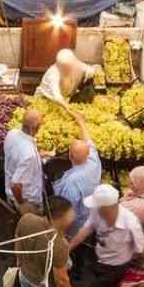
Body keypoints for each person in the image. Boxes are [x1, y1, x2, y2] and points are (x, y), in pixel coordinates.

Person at [70, 184, 144, 287]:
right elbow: (85, 230)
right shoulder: (97, 212)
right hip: (99, 259)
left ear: (108, 207)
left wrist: (130, 266)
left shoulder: (130, 222)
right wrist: (68, 248)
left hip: (116, 267)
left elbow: (140, 248)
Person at [53, 113, 101, 277]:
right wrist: (81, 121)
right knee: (84, 243)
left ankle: (74, 270)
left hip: (76, 224)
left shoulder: (71, 184)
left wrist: (60, 235)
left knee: (75, 247)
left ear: (69, 156)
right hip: (90, 215)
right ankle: (80, 263)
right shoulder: (93, 161)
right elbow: (89, 141)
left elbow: (66, 212)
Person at [14, 196, 77, 287]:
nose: (73, 217)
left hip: (24, 275)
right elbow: (61, 279)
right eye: (70, 215)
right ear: (62, 219)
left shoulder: (27, 218)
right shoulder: (60, 245)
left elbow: (18, 236)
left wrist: (19, 260)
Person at [3, 109, 46, 212]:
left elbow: (17, 156)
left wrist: (39, 155)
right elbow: (15, 184)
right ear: (36, 128)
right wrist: (22, 204)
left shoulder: (12, 133)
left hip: (10, 195)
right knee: (32, 226)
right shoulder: (29, 155)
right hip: (27, 202)